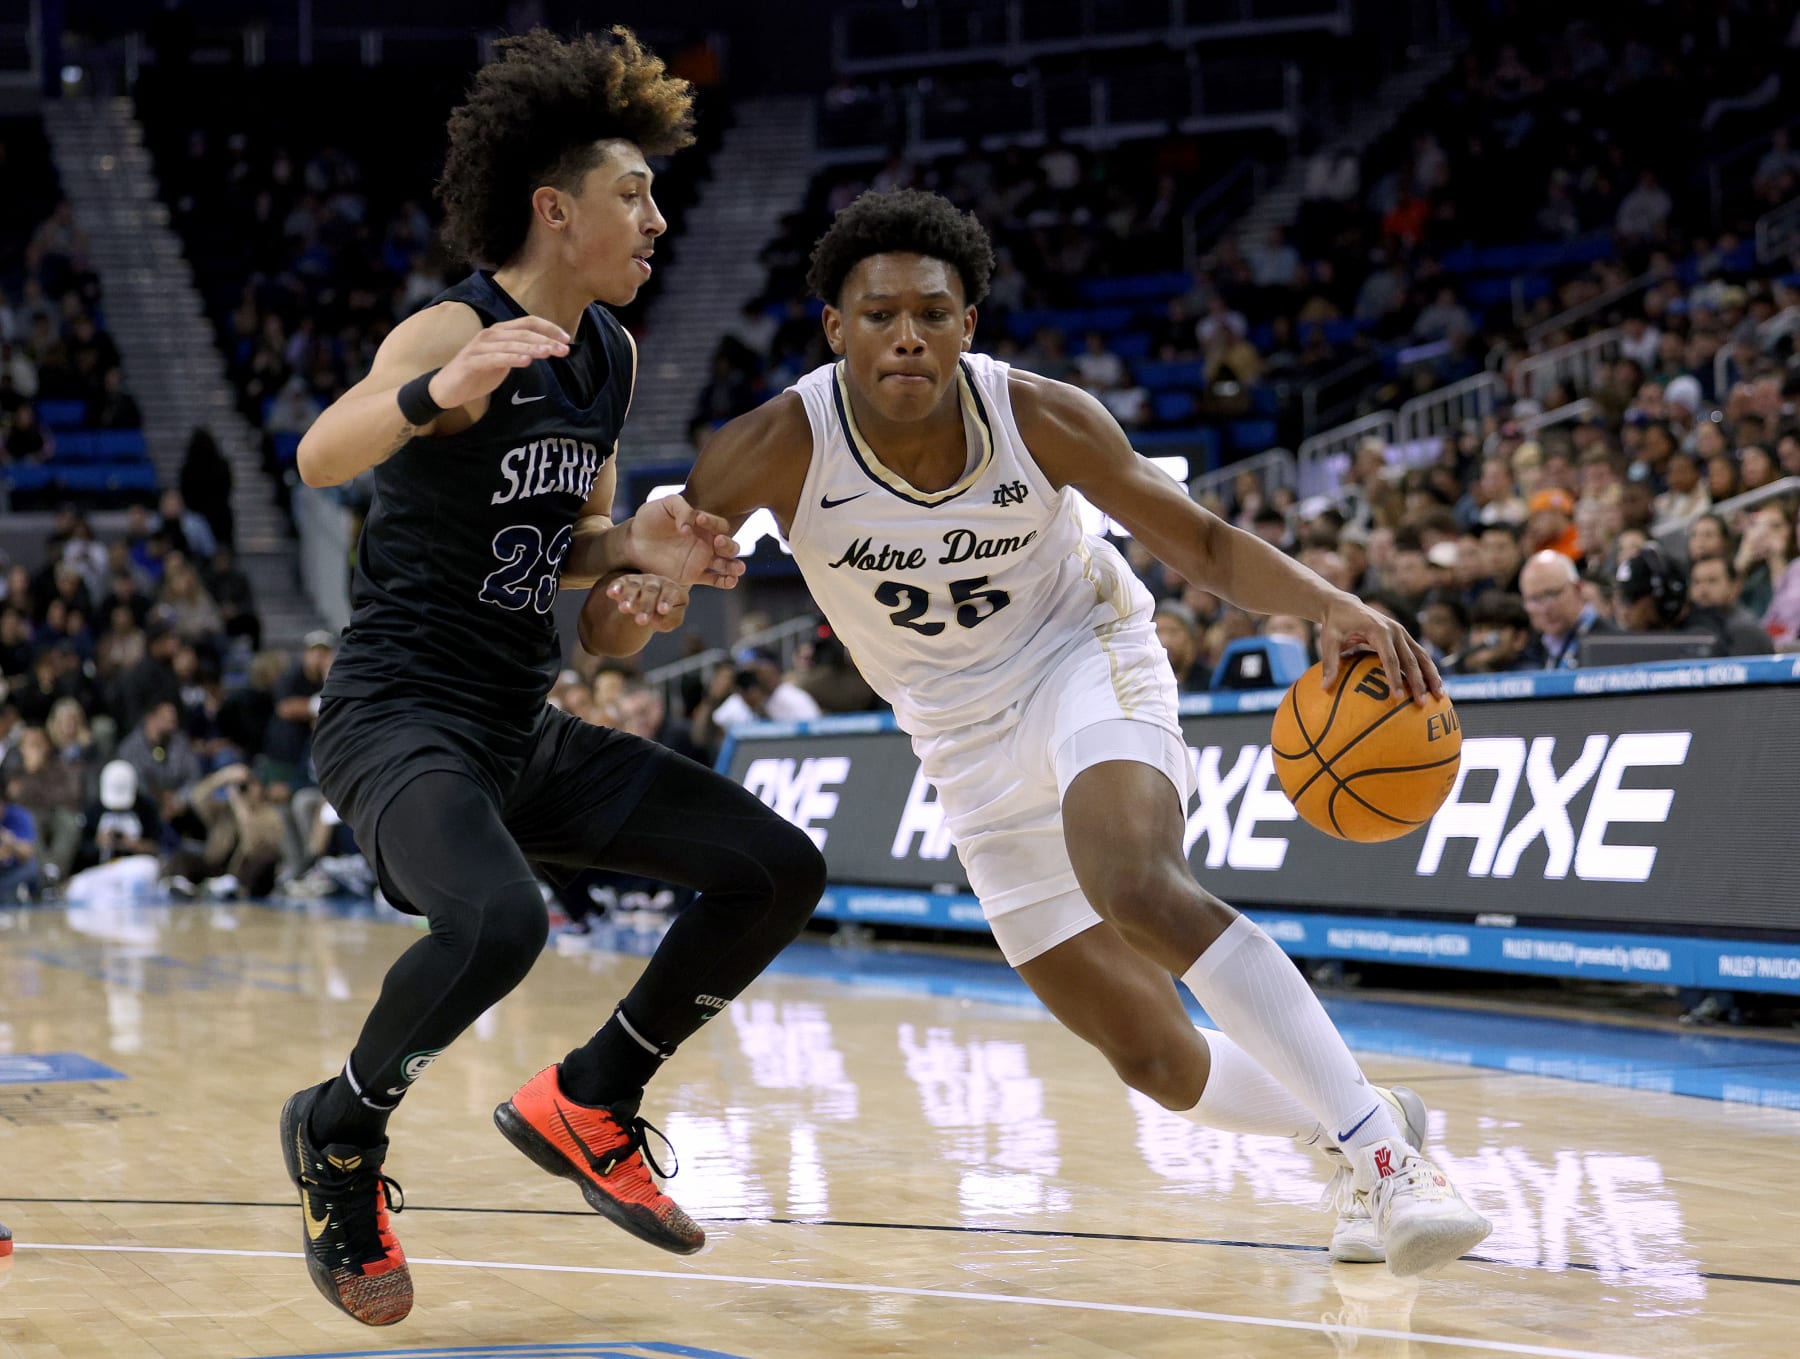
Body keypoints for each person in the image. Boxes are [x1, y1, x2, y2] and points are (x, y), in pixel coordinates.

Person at [684, 188, 1489, 1278]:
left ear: (970, 323)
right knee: (1154, 1059)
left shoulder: (1041, 417)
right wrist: (637, 585)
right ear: (836, 329)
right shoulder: (775, 446)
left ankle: (1391, 1162)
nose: (906, 332)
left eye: (933, 310)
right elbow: (638, 586)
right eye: (877, 314)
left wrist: (1329, 604)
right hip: (956, 745)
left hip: (1083, 662)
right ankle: (1356, 1116)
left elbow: (1200, 543)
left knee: (1138, 885)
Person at [277, 29, 824, 1329]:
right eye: (632, 195)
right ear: (554, 208)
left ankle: (595, 1093)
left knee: (780, 866)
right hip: (397, 720)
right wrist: (435, 390)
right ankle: (341, 1136)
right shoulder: (454, 325)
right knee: (502, 922)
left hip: (521, 722)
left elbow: (589, 603)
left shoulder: (608, 359)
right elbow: (316, 454)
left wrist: (640, 570)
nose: (656, 217)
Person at [1517, 550, 1616, 669]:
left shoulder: (1610, 643)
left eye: (1552, 594)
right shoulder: (1536, 647)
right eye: (1534, 599)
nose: (1545, 609)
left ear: (1578, 589)